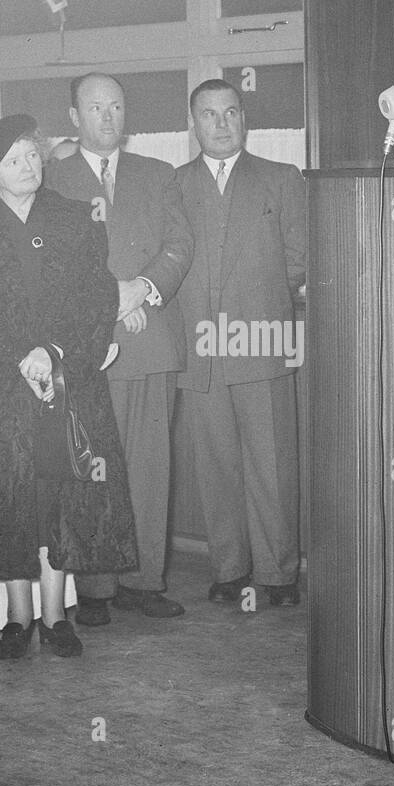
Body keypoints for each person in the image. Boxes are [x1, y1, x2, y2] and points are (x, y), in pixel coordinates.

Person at [0, 115, 139, 659]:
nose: (26, 167)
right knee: (8, 499)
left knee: (57, 496)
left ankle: (54, 617)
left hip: (63, 380)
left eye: (31, 155)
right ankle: (17, 618)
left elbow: (94, 300)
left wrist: (50, 353)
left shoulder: (75, 219)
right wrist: (17, 360)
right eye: (12, 160)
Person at [45, 74, 192, 624]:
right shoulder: (51, 178)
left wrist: (143, 288)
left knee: (150, 466)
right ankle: (96, 587)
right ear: (74, 116)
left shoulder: (158, 175)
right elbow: (48, 262)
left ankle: (143, 581)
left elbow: (180, 244)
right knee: (90, 464)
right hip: (87, 345)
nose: (107, 116)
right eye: (95, 107)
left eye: (116, 106)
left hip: (150, 339)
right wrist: (110, 297)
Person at [175, 80, 306, 608]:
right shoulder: (176, 184)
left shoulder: (281, 179)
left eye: (231, 112)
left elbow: (299, 256)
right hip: (201, 350)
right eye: (209, 115)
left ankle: (277, 576)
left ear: (244, 118)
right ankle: (229, 570)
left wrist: (254, 299)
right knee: (216, 464)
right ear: (193, 124)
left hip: (262, 341)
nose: (222, 124)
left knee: (271, 467)